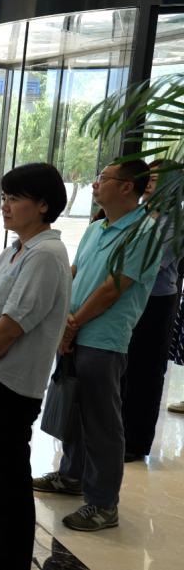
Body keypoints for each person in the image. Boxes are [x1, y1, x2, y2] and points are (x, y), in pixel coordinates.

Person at [32, 159, 158, 532]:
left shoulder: (144, 232)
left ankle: (103, 503)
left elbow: (113, 289)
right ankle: (71, 476)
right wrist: (64, 321)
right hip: (74, 330)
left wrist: (73, 324)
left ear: (127, 187)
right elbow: (75, 274)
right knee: (74, 408)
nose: (94, 184)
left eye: (103, 178)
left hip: (104, 338)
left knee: (102, 421)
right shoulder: (96, 227)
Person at [0, 163, 71, 570]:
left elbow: (11, 326)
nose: (5, 206)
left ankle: (11, 561)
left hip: (8, 380)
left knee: (8, 479)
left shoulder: (46, 255)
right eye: (4, 197)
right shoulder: (16, 249)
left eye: (15, 198)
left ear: (43, 205)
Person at [122, 159, 180, 460]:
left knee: (146, 372)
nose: (150, 183)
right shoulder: (138, 213)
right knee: (126, 368)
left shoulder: (175, 220)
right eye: (149, 177)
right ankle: (118, 434)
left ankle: (135, 442)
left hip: (156, 302)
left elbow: (151, 264)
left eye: (158, 179)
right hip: (129, 298)